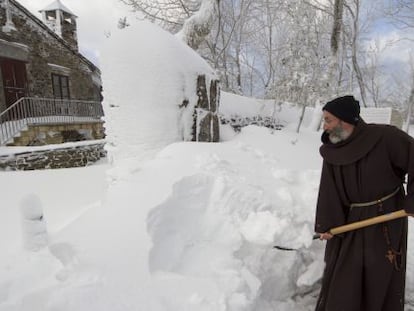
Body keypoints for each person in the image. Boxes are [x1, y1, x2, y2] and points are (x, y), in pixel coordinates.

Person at [314, 95, 414, 311]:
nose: (325, 126)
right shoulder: (332, 149)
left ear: (345, 120)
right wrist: (327, 225)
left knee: (377, 273)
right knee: (344, 275)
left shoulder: (386, 137)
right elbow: (329, 190)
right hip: (348, 221)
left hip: (385, 217)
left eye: (328, 120)